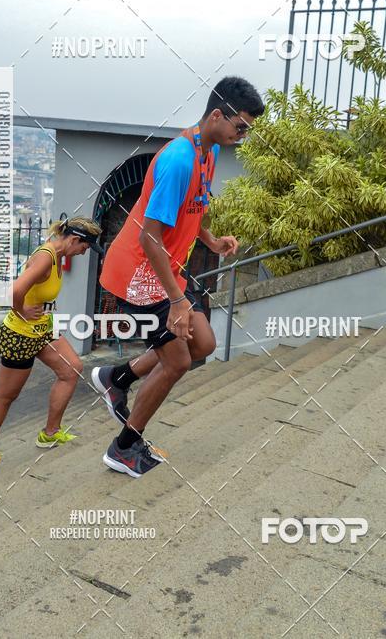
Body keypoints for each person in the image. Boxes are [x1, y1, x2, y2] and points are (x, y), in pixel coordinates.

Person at [92, 76, 265, 477]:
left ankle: (115, 378)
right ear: (217, 115)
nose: (244, 134)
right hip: (139, 276)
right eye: (241, 126)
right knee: (176, 362)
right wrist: (177, 301)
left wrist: (212, 239)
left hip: (162, 271)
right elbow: (148, 236)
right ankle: (124, 447)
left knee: (202, 343)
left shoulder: (209, 152)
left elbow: (194, 207)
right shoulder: (178, 160)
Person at [0, 216, 102, 472]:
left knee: (71, 369)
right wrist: (21, 312)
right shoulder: (45, 257)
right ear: (74, 240)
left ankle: (50, 433)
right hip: (20, 333)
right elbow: (15, 290)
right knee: (6, 396)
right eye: (84, 248)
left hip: (44, 329)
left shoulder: (59, 256)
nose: (84, 253)